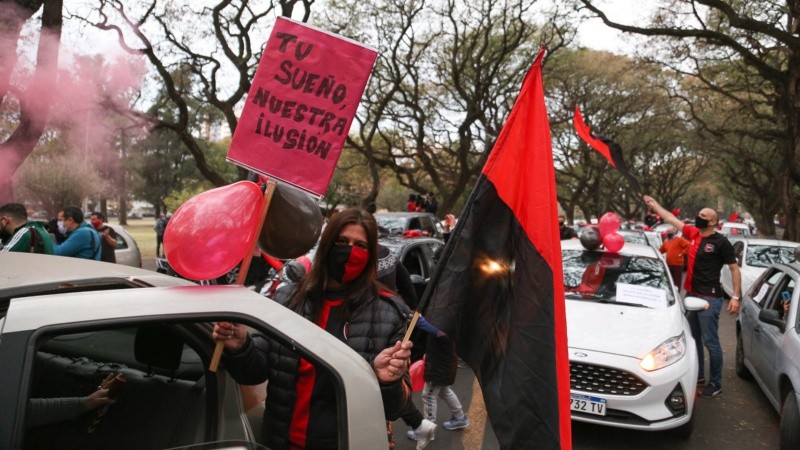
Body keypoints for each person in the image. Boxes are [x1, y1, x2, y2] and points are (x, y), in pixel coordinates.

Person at [212, 207, 420, 449]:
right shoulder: (287, 300)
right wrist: (240, 347)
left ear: (371, 254)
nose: (350, 251)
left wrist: (387, 382)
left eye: (360, 245)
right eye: (342, 241)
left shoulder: (389, 313)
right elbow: (255, 373)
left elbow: (396, 408)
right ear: (327, 244)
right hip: (281, 442)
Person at [643, 195, 741, 398]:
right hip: (691, 296)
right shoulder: (693, 233)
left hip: (709, 299)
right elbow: (670, 218)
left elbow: (734, 268)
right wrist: (656, 205)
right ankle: (699, 377)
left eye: (703, 215)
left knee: (710, 341)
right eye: (699, 214)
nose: (699, 217)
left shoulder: (720, 242)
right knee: (692, 338)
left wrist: (736, 297)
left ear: (713, 221)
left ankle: (716, 383)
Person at [420, 335, 468, 435]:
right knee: (444, 391)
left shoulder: (441, 322)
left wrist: (419, 321)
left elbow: (437, 331)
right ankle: (460, 417)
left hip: (439, 363)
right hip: (443, 359)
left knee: (428, 395)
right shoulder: (443, 320)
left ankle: (427, 431)